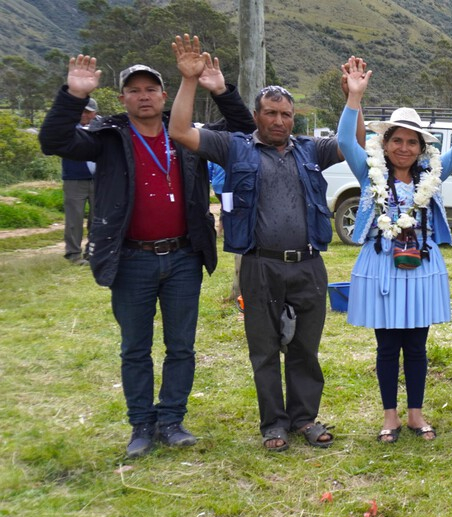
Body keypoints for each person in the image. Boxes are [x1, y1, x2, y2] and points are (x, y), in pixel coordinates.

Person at [37, 42, 254, 458]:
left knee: (181, 346)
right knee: (135, 347)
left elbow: (242, 130)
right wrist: (74, 94)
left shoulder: (186, 133)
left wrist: (220, 90)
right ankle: (140, 426)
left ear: (163, 95)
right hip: (131, 257)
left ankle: (171, 420)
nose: (143, 96)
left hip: (183, 257)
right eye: (134, 90)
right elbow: (53, 141)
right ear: (123, 98)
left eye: (150, 89)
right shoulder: (107, 136)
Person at [168, 35, 349, 452]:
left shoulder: (310, 150)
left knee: (305, 348)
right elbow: (179, 130)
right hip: (259, 265)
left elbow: (350, 145)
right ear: (256, 116)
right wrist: (189, 81)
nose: (280, 121)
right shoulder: (234, 148)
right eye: (271, 113)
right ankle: (274, 425)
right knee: (264, 350)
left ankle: (304, 418)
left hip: (308, 264)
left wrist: (351, 99)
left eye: (286, 114)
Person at [339, 59, 452, 443]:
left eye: (412, 142)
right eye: (397, 140)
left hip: (422, 265)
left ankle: (415, 414)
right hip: (382, 267)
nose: (405, 148)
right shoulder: (369, 171)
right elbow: (346, 140)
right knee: (387, 345)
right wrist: (354, 97)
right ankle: (389, 417)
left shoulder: (432, 175)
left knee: (416, 344)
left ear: (421, 147)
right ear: (385, 143)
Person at [61, 97, 98, 265]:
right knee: (74, 219)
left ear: (94, 113)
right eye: (81, 111)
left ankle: (93, 253)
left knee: (98, 218)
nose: (83, 114)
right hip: (74, 179)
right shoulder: (68, 127)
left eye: (87, 111)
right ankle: (73, 255)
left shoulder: (102, 126)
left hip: (99, 179)